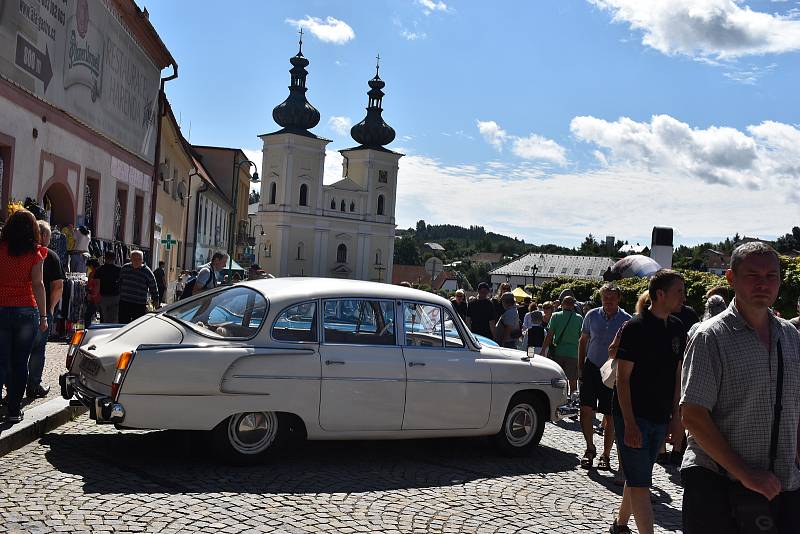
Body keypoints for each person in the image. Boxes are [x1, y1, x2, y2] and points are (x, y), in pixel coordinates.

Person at [680, 242, 800, 533]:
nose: (763, 283)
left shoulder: (791, 336)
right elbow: (693, 415)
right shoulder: (711, 337)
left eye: (772, 275)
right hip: (718, 485)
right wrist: (746, 473)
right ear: (731, 278)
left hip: (782, 485)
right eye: (753, 275)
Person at [609, 269, 686, 534]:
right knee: (642, 482)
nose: (683, 297)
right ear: (660, 294)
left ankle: (620, 525)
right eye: (679, 291)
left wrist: (676, 419)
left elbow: (677, 376)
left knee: (637, 473)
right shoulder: (635, 327)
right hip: (634, 415)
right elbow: (623, 379)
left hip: (660, 415)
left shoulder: (677, 328)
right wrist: (629, 423)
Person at [0, 209, 48, 423]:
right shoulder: (35, 252)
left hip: (1, 307)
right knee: (20, 362)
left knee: (1, 362)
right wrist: (45, 316)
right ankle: (13, 410)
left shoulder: (1, 249)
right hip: (26, 311)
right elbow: (38, 284)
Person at [578, 283, 631, 471]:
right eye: (605, 297)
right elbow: (583, 341)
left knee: (610, 415)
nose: (608, 301)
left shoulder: (626, 320)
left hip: (611, 371)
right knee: (585, 410)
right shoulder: (591, 315)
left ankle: (606, 455)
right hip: (591, 367)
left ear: (618, 299)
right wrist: (580, 368)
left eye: (612, 297)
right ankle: (589, 448)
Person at [25, 220, 65, 400]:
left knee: (18, 350)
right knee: (37, 350)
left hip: (20, 305)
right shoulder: (50, 255)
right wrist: (49, 309)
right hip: (40, 310)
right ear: (45, 236)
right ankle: (33, 385)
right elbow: (57, 286)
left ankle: (13, 388)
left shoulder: (22, 252)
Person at [541, 295, 583, 395]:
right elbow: (582, 338)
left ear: (562, 304)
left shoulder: (556, 316)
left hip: (558, 352)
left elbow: (549, 335)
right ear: (573, 305)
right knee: (573, 380)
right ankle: (572, 401)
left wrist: (543, 349)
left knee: (559, 379)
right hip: (573, 353)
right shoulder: (579, 318)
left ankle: (559, 399)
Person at [118, 250, 159, 324]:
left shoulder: (147, 272)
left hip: (139, 304)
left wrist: (156, 302)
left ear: (142, 260)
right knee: (122, 324)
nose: (136, 261)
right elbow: (119, 282)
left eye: (139, 259)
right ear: (131, 259)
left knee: (136, 325)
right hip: (125, 302)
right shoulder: (125, 268)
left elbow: (153, 288)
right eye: (134, 259)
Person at [95, 251, 121, 323]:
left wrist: (96, 298)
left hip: (103, 297)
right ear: (114, 258)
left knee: (104, 319)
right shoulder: (119, 270)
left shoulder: (99, 270)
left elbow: (97, 285)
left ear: (104, 258)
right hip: (115, 297)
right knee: (114, 319)